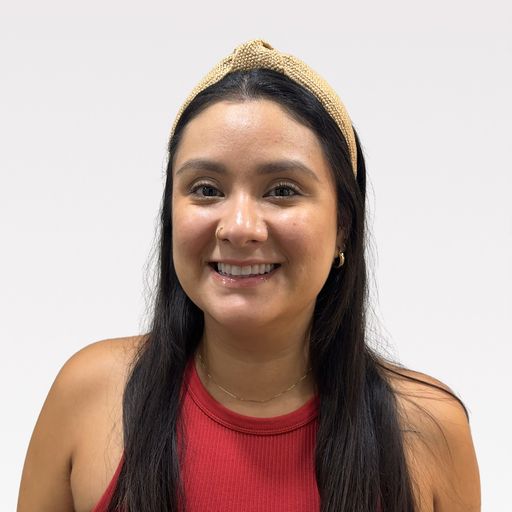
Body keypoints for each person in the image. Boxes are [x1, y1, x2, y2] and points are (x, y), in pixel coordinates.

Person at [17, 39, 480, 512]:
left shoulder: (427, 431)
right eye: (206, 189)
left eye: (282, 190)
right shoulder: (90, 397)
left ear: (343, 224)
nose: (239, 227)